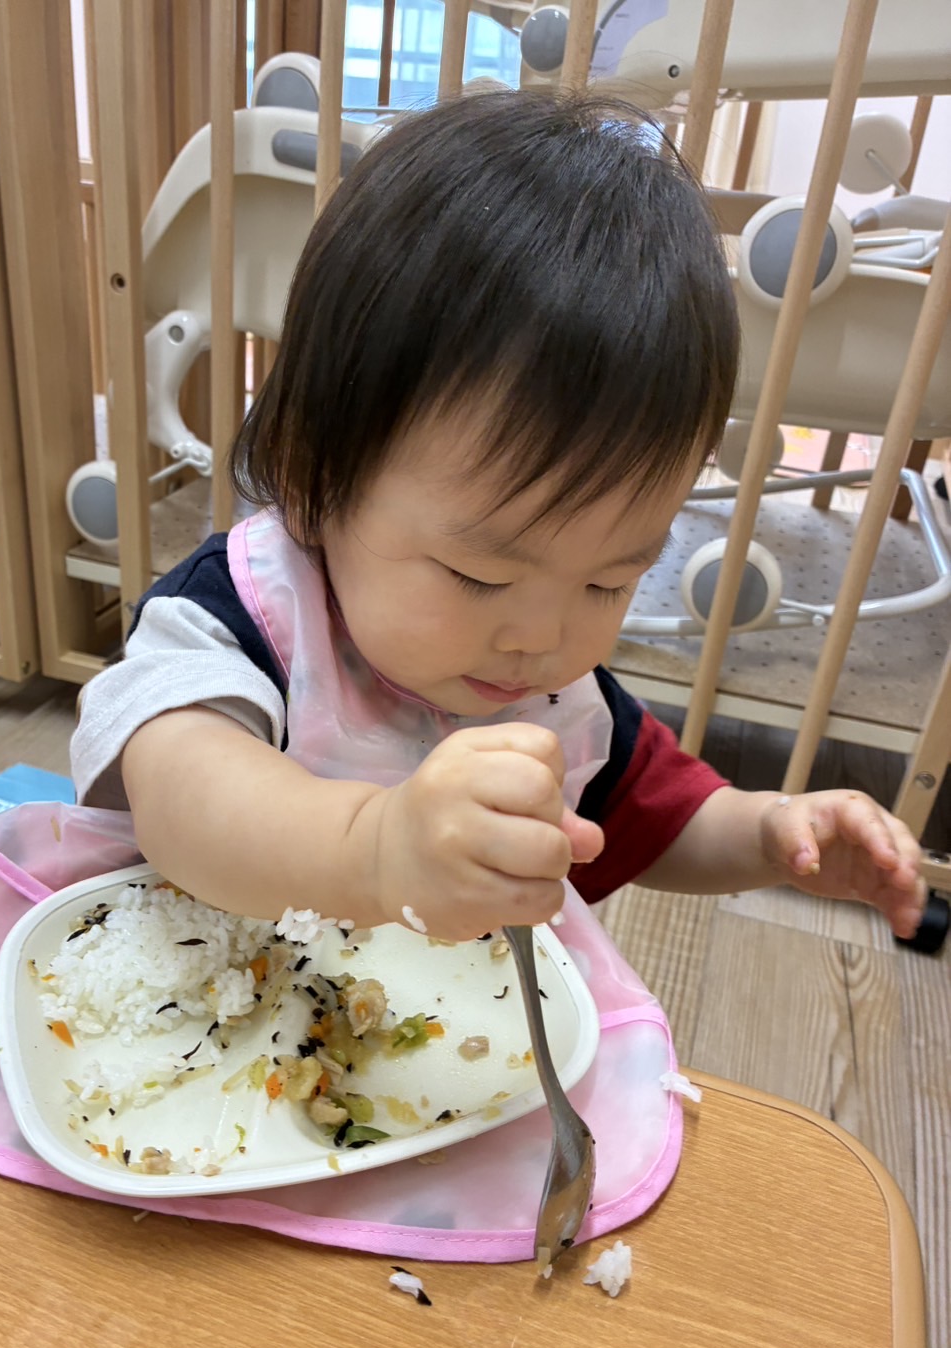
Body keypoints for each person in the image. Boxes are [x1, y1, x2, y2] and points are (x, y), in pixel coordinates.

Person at [71, 89, 925, 943]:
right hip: (210, 993)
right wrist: (376, 849)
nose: (543, 638)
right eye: (480, 575)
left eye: (608, 582)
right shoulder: (241, 618)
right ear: (310, 473)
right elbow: (182, 795)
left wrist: (772, 835)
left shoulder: (554, 694)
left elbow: (662, 820)